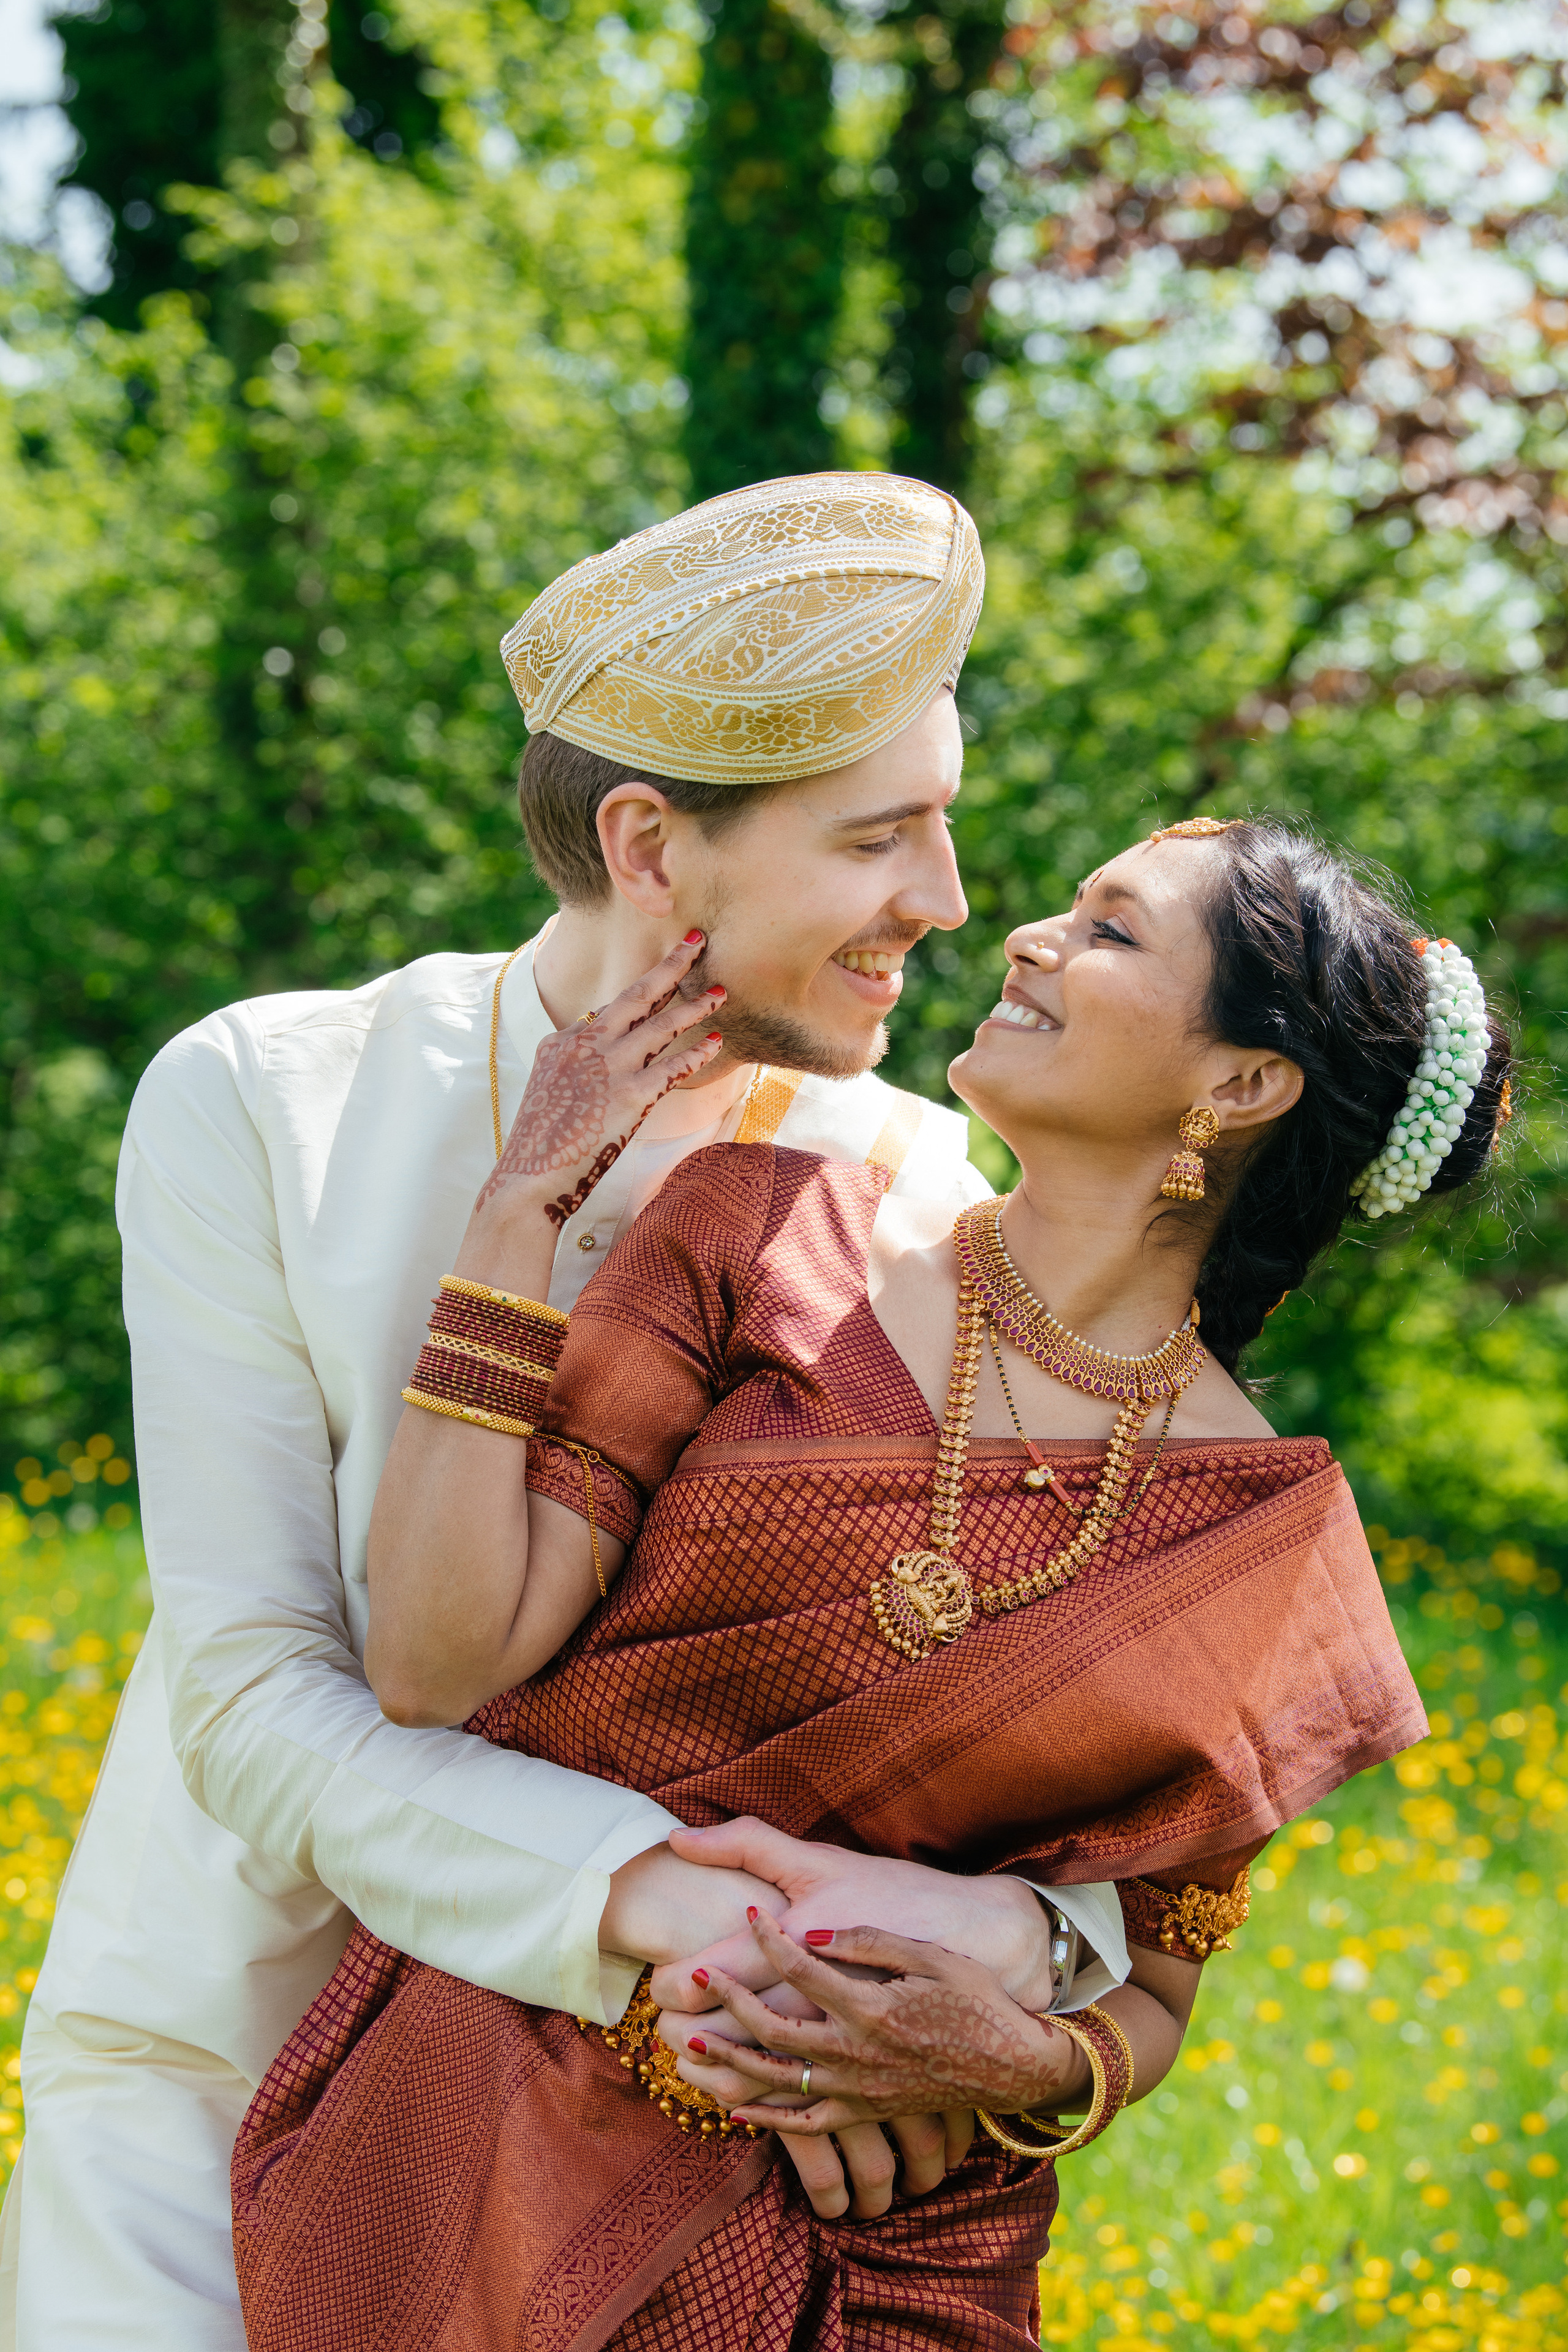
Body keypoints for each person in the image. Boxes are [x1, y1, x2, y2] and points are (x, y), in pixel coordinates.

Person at [2, 473, 1104, 2348]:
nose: (948, 899)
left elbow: (1000, 1731)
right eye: (882, 837)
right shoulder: (268, 1100)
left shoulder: (926, 1183)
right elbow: (259, 1693)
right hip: (203, 2089)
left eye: (947, 827)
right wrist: (693, 1919)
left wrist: (1021, 1984)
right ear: (653, 848)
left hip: (657, 2160)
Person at [232, 816, 1507, 2350]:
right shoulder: (758, 1232)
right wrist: (519, 1212)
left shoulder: (1252, 1541)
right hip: (488, 2110)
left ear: (1238, 1086)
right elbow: (440, 1665)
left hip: (874, 2243)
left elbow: (1154, 2000)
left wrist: (1017, 2064)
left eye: (1107, 931)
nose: (1026, 933)